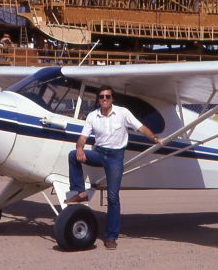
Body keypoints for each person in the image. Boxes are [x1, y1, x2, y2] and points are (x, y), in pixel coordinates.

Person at [66, 85, 163, 250]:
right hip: (99, 153)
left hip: (115, 158)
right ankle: (80, 192)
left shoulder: (122, 113)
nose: (104, 99)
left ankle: (111, 237)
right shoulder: (92, 116)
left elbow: (140, 127)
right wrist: (80, 148)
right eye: (102, 96)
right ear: (98, 99)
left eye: (108, 97)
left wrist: (154, 138)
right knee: (72, 155)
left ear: (112, 99)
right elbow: (82, 137)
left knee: (113, 198)